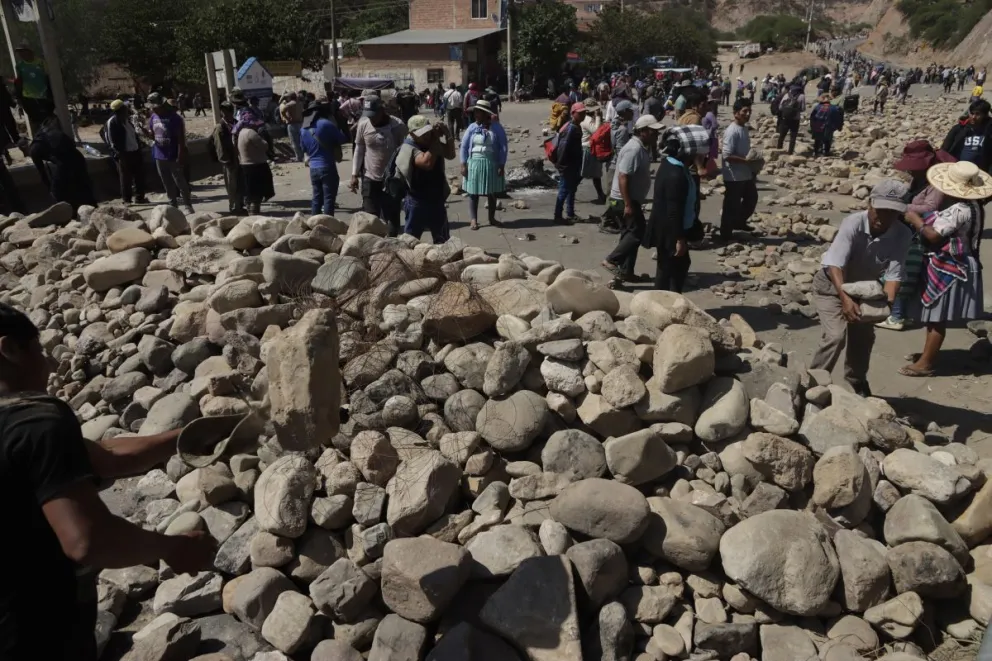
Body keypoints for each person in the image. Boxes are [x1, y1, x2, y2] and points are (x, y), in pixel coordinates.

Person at [0, 303, 217, 661]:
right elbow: (87, 540)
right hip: (34, 633)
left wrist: (195, 435)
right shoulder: (35, 422)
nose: (50, 364)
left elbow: (106, 456)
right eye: (38, 349)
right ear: (9, 349)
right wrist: (172, 547)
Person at [809, 180, 913, 396]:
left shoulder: (902, 234)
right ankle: (814, 382)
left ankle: (856, 381)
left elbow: (894, 275)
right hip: (832, 286)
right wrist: (845, 299)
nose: (884, 217)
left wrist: (887, 304)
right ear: (870, 204)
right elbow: (835, 264)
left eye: (892, 213)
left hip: (866, 290)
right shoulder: (853, 223)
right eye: (880, 210)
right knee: (835, 336)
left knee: (863, 338)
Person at [899, 161, 989, 376]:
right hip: (965, 261)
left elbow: (933, 235)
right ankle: (927, 355)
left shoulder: (958, 210)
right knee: (936, 316)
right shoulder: (976, 207)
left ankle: (926, 363)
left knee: (936, 318)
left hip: (950, 266)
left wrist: (916, 220)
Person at [878, 140, 956, 331]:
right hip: (911, 229)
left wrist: (902, 207)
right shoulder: (919, 178)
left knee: (904, 272)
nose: (911, 171)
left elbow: (931, 207)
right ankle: (901, 313)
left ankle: (897, 316)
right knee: (899, 270)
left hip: (921, 232)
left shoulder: (936, 183)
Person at [642, 125, 709, 292]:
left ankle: (666, 299)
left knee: (671, 268)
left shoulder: (673, 165)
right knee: (671, 269)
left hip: (668, 228)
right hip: (669, 231)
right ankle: (665, 301)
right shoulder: (675, 174)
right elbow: (674, 209)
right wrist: (679, 239)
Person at [601, 114, 662, 283]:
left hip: (629, 199)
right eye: (653, 132)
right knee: (637, 232)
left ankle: (626, 271)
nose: (656, 135)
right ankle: (612, 260)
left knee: (629, 235)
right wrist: (628, 204)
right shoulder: (633, 149)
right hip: (623, 200)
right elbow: (623, 176)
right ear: (643, 131)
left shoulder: (640, 147)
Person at [351, 96, 408, 236]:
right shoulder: (363, 124)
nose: (371, 119)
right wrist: (354, 174)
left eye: (374, 115)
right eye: (368, 115)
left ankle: (391, 243)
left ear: (382, 110)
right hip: (370, 177)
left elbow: (406, 151)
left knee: (392, 218)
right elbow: (359, 149)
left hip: (391, 179)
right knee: (370, 218)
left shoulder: (397, 126)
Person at [395, 115, 455, 243]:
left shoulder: (431, 143)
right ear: (412, 134)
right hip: (417, 200)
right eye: (422, 134)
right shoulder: (409, 146)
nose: (426, 136)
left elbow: (450, 154)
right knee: (411, 241)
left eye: (427, 132)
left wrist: (447, 134)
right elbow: (426, 163)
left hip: (436, 199)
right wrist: (435, 138)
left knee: (443, 241)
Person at [26, 114, 95, 212]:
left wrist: (51, 189)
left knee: (58, 190)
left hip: (67, 159)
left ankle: (68, 211)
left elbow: (42, 172)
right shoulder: (42, 137)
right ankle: (90, 207)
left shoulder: (33, 150)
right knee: (81, 184)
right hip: (77, 156)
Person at [460, 99, 507, 230]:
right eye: (475, 112)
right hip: (474, 163)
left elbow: (503, 147)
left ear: (486, 114)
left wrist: (501, 164)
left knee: (492, 192)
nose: (476, 115)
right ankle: (473, 220)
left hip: (491, 163)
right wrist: (463, 164)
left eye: (478, 112)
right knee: (473, 192)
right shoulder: (472, 128)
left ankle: (491, 218)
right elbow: (464, 147)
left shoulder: (497, 128)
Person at [147, 93, 193, 213]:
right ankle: (173, 204)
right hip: (159, 154)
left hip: (173, 154)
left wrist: (181, 153)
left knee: (180, 181)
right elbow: (153, 134)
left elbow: (180, 138)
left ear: (162, 105)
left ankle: (188, 205)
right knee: (166, 181)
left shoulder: (175, 118)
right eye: (152, 107)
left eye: (156, 107)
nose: (154, 109)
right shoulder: (153, 117)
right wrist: (144, 132)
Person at [300, 101, 348, 216]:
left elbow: (303, 148)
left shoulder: (303, 129)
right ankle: (327, 223)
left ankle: (314, 223)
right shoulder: (326, 124)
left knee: (316, 198)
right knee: (328, 198)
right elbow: (342, 139)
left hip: (313, 168)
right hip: (327, 166)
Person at [720, 98, 757, 242]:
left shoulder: (744, 128)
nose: (748, 114)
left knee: (751, 198)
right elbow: (727, 155)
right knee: (731, 205)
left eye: (749, 111)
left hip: (745, 173)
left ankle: (739, 222)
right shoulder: (732, 131)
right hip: (733, 175)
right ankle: (725, 234)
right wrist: (746, 161)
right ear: (736, 113)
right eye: (744, 111)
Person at [104, 99, 147, 206]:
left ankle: (139, 197)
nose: (128, 110)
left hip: (135, 152)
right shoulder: (112, 122)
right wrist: (119, 155)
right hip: (124, 155)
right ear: (121, 110)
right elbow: (111, 141)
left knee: (139, 176)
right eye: (125, 108)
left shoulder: (127, 121)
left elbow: (133, 136)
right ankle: (127, 199)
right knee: (125, 178)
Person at [553, 103, 585, 226]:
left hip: (574, 164)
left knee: (571, 189)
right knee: (564, 190)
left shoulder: (576, 126)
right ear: (573, 113)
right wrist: (561, 166)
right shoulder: (570, 128)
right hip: (568, 165)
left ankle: (570, 213)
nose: (583, 115)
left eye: (584, 113)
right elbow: (563, 147)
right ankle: (558, 216)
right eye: (580, 113)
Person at [211, 101, 245, 215]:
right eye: (223, 110)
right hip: (230, 160)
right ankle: (234, 207)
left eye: (227, 110)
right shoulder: (220, 126)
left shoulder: (236, 123)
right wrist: (225, 160)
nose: (225, 112)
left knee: (241, 183)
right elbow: (219, 146)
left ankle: (240, 204)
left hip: (241, 158)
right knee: (232, 185)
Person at [942, 99, 992, 171]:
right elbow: (945, 149)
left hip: (980, 171)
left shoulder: (989, 131)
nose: (973, 117)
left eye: (977, 114)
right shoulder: (959, 129)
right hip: (958, 168)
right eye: (972, 113)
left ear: (985, 115)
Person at [12, 42, 51, 130]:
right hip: (28, 98)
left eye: (23, 51)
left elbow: (48, 77)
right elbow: (19, 81)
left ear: (29, 51)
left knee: (46, 119)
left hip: (42, 96)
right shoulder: (19, 66)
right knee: (36, 121)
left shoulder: (41, 62)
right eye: (19, 52)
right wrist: (19, 98)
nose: (21, 54)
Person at [580, 99, 607, 205]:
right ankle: (569, 192)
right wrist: (598, 117)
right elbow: (596, 131)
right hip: (587, 148)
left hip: (591, 148)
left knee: (595, 175)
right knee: (584, 173)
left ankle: (601, 194)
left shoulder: (589, 118)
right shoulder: (586, 119)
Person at [810, 93, 843, 157]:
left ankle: (815, 152)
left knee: (817, 139)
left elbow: (812, 117)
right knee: (828, 139)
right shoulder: (834, 108)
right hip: (828, 125)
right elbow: (837, 118)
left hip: (818, 125)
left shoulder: (817, 107)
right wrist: (839, 127)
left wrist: (812, 126)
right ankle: (826, 152)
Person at [775, 85, 805, 154]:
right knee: (793, 136)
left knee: (782, 134)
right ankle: (790, 152)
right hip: (795, 119)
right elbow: (803, 108)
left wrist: (786, 111)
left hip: (785, 118)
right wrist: (796, 110)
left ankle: (779, 149)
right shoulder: (802, 96)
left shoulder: (787, 95)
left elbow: (780, 107)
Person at [279, 92, 305, 162]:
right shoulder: (300, 103)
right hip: (300, 123)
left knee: (294, 141)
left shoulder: (289, 104)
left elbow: (282, 111)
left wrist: (287, 118)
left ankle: (298, 157)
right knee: (301, 140)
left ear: (289, 97)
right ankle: (303, 156)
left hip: (292, 124)